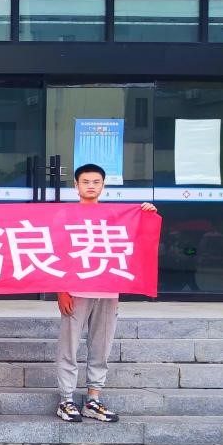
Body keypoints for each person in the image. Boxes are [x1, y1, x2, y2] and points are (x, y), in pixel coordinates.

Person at [55, 163, 158, 423]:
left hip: (108, 290)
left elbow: (136, 240)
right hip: (75, 289)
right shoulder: (64, 215)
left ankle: (93, 399)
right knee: (69, 347)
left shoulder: (115, 215)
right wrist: (61, 290)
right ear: (76, 185)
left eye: (96, 182)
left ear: (103, 185)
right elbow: (56, 253)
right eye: (85, 181)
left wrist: (147, 214)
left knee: (101, 347)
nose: (91, 186)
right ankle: (66, 399)